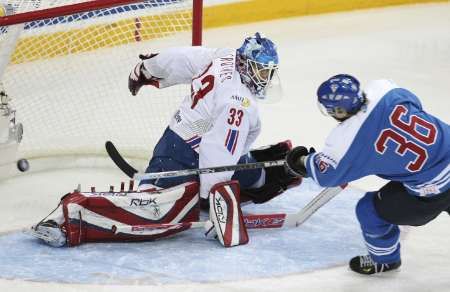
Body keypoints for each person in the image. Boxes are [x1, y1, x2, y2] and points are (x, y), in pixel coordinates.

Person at [29, 33, 300, 248]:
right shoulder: (237, 104)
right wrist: (212, 201)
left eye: (269, 71)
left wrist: (145, 69)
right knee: (155, 213)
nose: (266, 78)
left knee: (255, 176)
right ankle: (70, 214)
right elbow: (217, 154)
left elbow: (179, 58)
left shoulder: (225, 56)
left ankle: (277, 168)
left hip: (185, 142)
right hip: (180, 154)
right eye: (262, 71)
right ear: (246, 64)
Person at [285, 74, 449, 275]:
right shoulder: (384, 89)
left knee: (368, 210)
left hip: (431, 191)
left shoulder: (346, 140)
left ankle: (385, 260)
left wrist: (302, 161)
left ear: (337, 110)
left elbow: (326, 176)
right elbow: (415, 103)